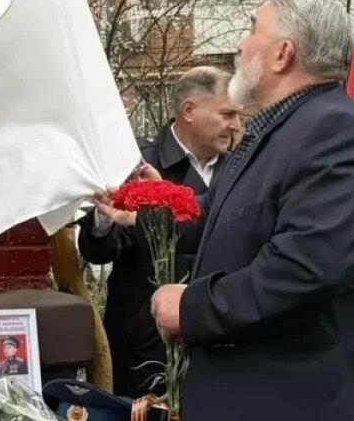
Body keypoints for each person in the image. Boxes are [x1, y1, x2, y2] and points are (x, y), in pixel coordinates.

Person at [148, 0, 354, 420]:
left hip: (335, 404)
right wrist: (147, 208)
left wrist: (191, 307)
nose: (240, 44)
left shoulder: (336, 135)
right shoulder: (276, 133)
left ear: (282, 54)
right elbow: (220, 214)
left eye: (252, 29)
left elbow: (303, 269)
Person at [78, 67, 240, 398]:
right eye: (227, 114)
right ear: (189, 110)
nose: (236, 125)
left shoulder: (241, 166)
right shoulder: (135, 163)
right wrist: (104, 218)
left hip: (222, 336)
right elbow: (99, 251)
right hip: (147, 347)